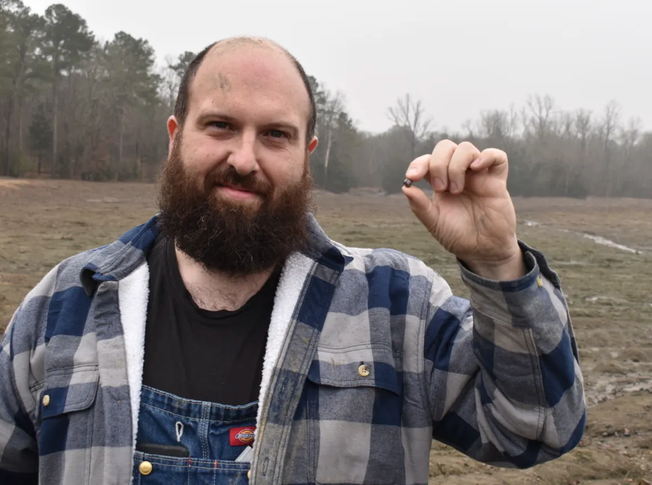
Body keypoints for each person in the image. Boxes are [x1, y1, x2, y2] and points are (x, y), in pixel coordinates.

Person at [0, 37, 585, 485]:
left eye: (275, 135)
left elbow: (535, 429)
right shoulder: (65, 305)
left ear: (307, 155)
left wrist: (496, 262)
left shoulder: (396, 306)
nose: (244, 158)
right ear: (176, 137)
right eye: (221, 125)